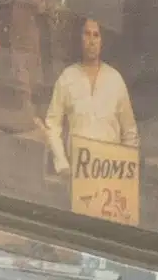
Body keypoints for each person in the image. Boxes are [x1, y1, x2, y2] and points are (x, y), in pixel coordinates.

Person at [43, 11, 140, 222]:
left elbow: (130, 132)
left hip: (110, 179)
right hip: (78, 178)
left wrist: (125, 171)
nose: (91, 40)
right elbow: (52, 124)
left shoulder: (115, 80)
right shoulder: (67, 78)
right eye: (87, 34)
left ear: (102, 40)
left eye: (96, 35)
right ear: (80, 39)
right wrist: (62, 164)